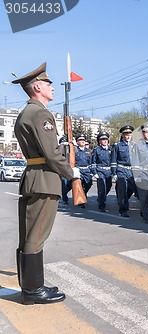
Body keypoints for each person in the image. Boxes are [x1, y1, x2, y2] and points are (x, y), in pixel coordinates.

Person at [13, 62, 79, 304]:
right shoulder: (40, 113)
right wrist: (72, 173)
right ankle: (32, 291)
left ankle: (31, 286)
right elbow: (51, 154)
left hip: (33, 177)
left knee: (29, 235)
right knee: (36, 236)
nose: (52, 88)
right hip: (44, 180)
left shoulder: (25, 113)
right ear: (38, 87)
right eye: (49, 84)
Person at [110, 125, 136, 218]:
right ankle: (123, 209)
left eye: (129, 134)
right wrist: (114, 173)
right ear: (123, 135)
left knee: (131, 189)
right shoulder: (117, 146)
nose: (128, 136)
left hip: (131, 170)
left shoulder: (134, 146)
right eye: (126, 134)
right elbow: (113, 159)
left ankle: (122, 201)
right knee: (123, 190)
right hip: (121, 169)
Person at [91, 131, 113, 212]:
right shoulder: (96, 150)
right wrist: (94, 172)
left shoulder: (111, 149)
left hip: (109, 171)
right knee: (102, 188)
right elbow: (93, 162)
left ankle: (101, 198)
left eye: (106, 139)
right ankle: (101, 205)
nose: (105, 141)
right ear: (99, 141)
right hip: (100, 171)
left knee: (109, 186)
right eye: (102, 139)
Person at [74, 134, 93, 208]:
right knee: (80, 185)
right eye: (80, 140)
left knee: (89, 183)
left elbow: (90, 162)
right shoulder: (75, 150)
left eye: (83, 140)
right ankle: (81, 200)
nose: (82, 142)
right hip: (78, 169)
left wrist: (91, 172)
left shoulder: (88, 151)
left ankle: (83, 194)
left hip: (86, 170)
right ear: (77, 142)